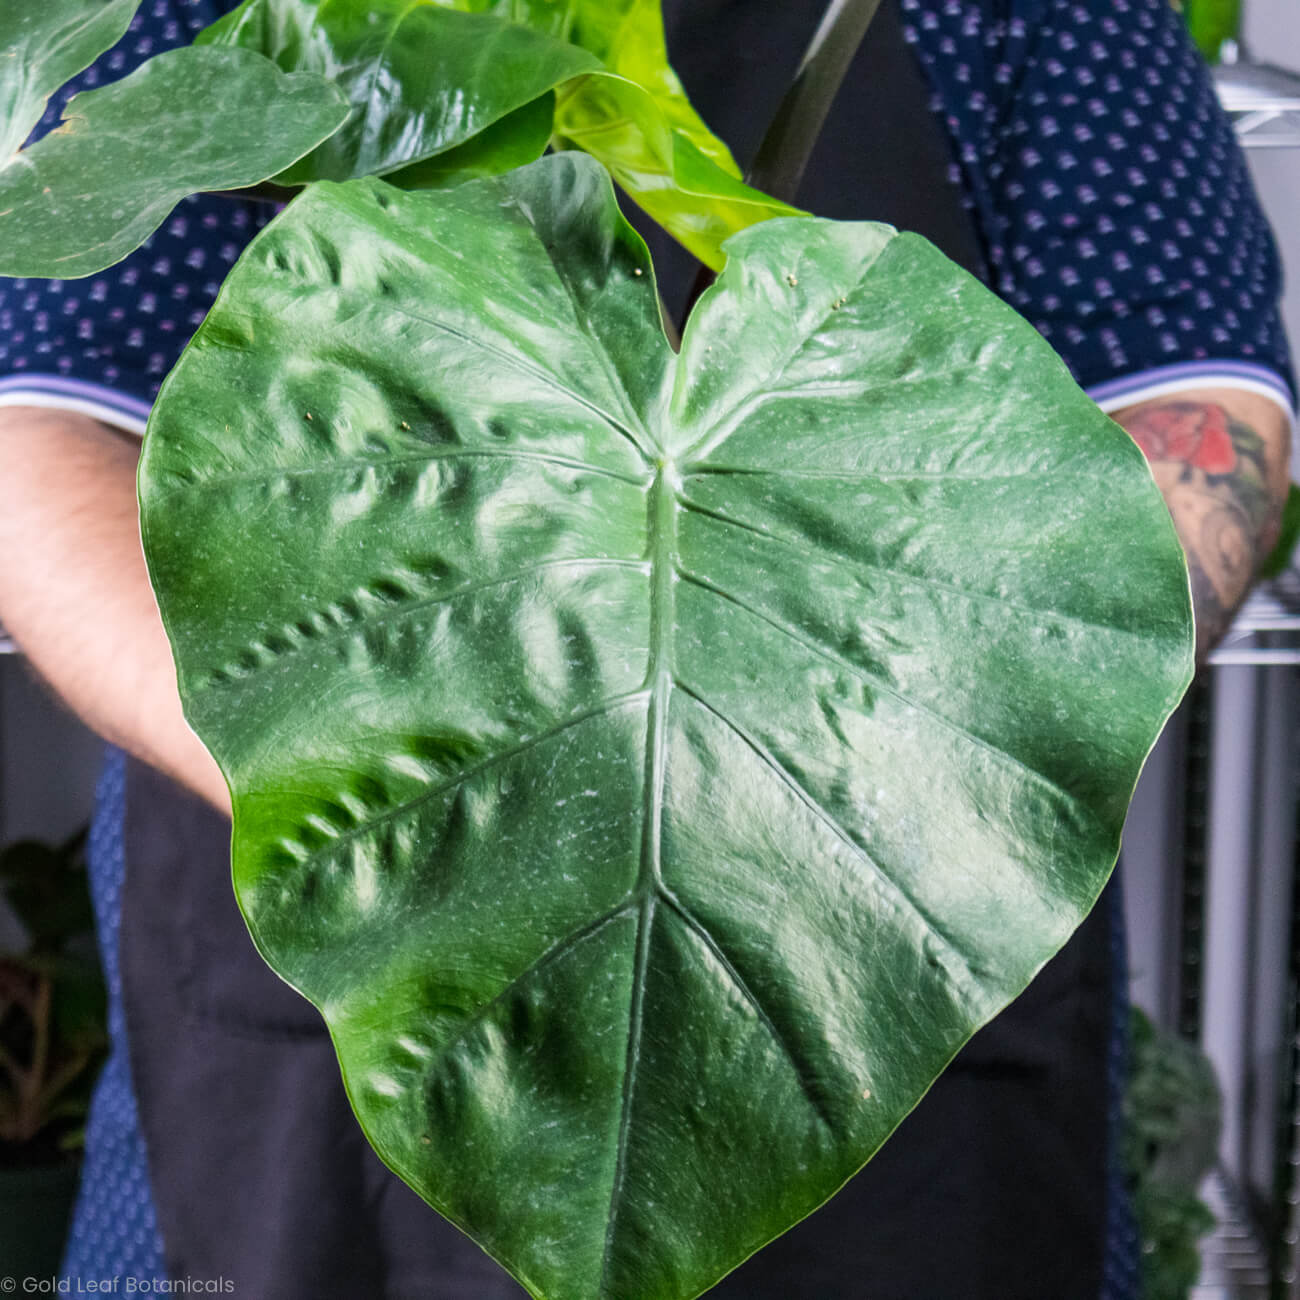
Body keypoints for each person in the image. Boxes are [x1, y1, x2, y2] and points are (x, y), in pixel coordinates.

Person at [0, 0, 1291, 1295]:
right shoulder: (242, 16)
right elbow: (44, 435)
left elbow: (1193, 397)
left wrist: (879, 741)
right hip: (331, 1017)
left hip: (870, 965)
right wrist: (359, 773)